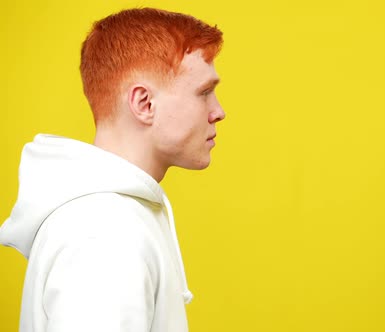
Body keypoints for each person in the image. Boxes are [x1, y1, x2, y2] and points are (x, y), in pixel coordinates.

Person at [0, 8, 225, 332]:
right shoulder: (105, 233)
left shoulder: (108, 220)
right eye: (204, 92)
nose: (218, 111)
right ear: (144, 104)